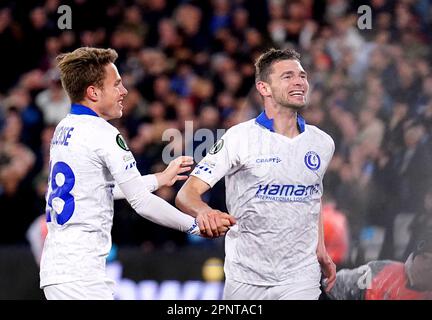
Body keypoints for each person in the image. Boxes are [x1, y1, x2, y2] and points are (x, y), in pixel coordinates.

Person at [40, 47, 234, 300]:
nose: (124, 92)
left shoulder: (64, 128)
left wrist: (159, 179)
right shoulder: (103, 133)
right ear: (93, 92)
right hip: (80, 274)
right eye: (117, 85)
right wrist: (196, 226)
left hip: (62, 268)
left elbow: (99, 189)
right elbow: (141, 203)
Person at [176, 48, 336, 300]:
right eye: (287, 76)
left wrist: (321, 248)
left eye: (302, 76)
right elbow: (187, 194)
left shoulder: (322, 142)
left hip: (299, 277)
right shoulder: (238, 138)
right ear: (264, 88)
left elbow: (312, 196)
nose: (299, 82)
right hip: (245, 278)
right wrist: (205, 212)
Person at [327, 228, 432, 300]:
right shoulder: (383, 270)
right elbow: (335, 287)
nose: (426, 267)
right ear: (415, 256)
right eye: (424, 258)